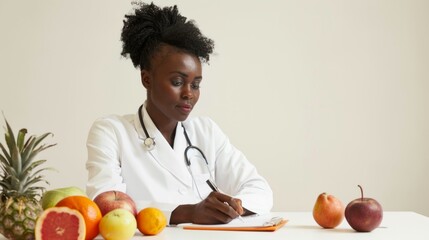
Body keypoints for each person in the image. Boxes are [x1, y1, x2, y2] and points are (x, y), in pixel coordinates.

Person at [85, 2, 273, 225]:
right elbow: (106, 204)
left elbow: (260, 190)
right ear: (147, 79)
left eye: (195, 85)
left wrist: (232, 205)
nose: (188, 94)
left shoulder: (206, 131)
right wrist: (188, 213)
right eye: (177, 82)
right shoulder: (111, 131)